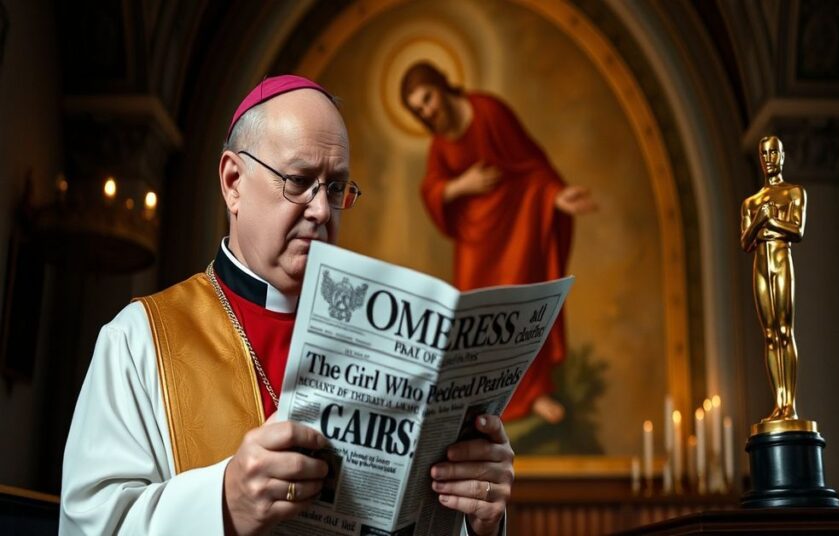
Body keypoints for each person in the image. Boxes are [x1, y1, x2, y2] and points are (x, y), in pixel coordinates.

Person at [60, 75, 513, 535]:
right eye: (299, 181)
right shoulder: (139, 339)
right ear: (233, 182)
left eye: (336, 188)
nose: (321, 210)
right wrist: (224, 502)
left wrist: (480, 520)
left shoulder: (390, 341)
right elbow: (89, 525)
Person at [400, 62, 596, 424]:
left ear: (441, 86)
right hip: (476, 242)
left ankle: (533, 394)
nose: (427, 110)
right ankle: (482, 399)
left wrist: (555, 195)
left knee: (519, 306)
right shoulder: (440, 145)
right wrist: (462, 185)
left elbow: (531, 164)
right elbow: (432, 189)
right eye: (418, 109)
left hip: (516, 225)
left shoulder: (488, 112)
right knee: (479, 317)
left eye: (426, 99)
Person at [739, 135, 807, 423]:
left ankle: (790, 404)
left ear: (781, 156)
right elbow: (745, 241)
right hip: (761, 263)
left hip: (780, 258)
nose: (768, 160)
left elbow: (797, 230)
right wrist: (759, 220)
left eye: (773, 154)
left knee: (784, 331)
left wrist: (769, 221)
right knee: (768, 334)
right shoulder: (751, 202)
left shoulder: (793, 192)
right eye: (764, 155)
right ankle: (778, 403)